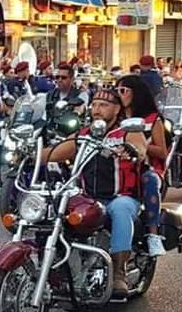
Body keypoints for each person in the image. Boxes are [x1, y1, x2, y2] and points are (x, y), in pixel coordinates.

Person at [43, 88, 147, 298]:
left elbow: (140, 149)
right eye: (95, 105)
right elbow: (56, 153)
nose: (97, 109)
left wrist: (131, 150)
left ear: (117, 109)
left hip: (121, 197)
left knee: (120, 210)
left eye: (104, 105)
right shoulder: (83, 134)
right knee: (53, 206)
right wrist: (30, 154)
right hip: (87, 197)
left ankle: (119, 272)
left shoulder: (127, 132)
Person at [115, 74, 168, 257]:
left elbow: (162, 152)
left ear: (135, 93)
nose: (119, 95)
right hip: (117, 166)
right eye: (116, 91)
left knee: (150, 180)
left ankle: (153, 234)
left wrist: (139, 145)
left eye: (123, 91)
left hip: (146, 168)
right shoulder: (115, 117)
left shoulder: (153, 120)